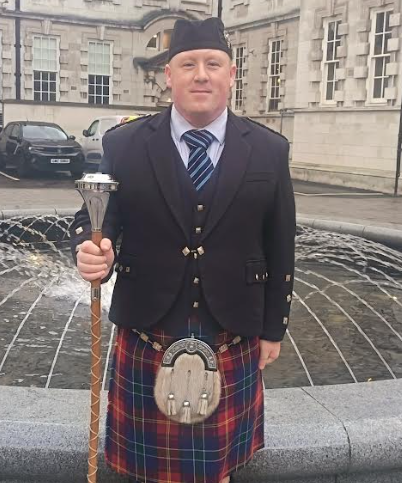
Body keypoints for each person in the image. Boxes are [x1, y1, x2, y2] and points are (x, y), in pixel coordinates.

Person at [70, 16, 295, 483]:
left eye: (213, 64)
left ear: (231, 75)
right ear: (167, 75)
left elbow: (280, 244)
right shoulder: (126, 143)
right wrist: (93, 250)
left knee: (217, 470)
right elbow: (95, 219)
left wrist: (273, 328)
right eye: (187, 63)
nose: (201, 74)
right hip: (148, 329)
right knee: (149, 470)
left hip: (231, 331)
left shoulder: (269, 150)